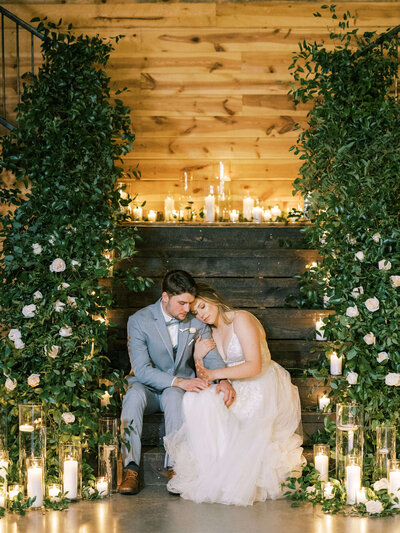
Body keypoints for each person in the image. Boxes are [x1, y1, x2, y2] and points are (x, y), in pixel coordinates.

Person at [164, 284, 305, 506]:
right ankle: (213, 465)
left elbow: (254, 366)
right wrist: (199, 357)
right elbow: (204, 374)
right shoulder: (208, 331)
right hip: (232, 382)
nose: (201, 314)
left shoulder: (240, 319)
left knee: (242, 410)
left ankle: (231, 471)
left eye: (202, 306)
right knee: (196, 399)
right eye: (196, 312)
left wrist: (216, 374)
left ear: (214, 298)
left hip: (260, 380)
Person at [119, 271, 235, 495]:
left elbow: (210, 354)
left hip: (177, 389)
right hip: (148, 387)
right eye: (181, 303)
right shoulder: (139, 320)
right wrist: (179, 381)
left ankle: (175, 467)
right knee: (133, 396)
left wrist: (224, 379)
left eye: (190, 303)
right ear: (165, 297)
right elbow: (142, 370)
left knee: (174, 396)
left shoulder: (195, 321)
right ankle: (130, 468)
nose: (187, 309)